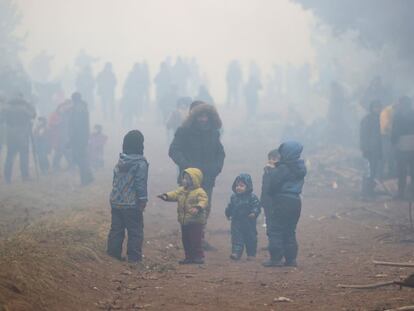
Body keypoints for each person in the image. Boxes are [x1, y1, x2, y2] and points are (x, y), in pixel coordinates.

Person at [169, 102, 225, 250]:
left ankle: (199, 239)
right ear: (194, 116)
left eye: (206, 115)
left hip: (208, 178)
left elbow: (220, 153)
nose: (203, 119)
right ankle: (191, 241)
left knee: (204, 207)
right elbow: (174, 150)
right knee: (188, 208)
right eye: (200, 115)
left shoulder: (214, 132)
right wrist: (187, 166)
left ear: (211, 117)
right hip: (188, 179)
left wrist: (217, 168)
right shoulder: (184, 131)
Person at [263, 141, 307, 267]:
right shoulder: (300, 168)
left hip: (282, 201)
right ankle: (291, 259)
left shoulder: (283, 168)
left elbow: (273, 185)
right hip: (296, 201)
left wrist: (271, 172)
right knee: (290, 230)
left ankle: (275, 258)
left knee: (276, 229)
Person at [107, 130, 148, 263]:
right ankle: (134, 258)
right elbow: (140, 183)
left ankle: (112, 255)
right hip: (132, 203)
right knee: (135, 230)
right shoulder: (140, 163)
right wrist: (142, 200)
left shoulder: (120, 161)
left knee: (116, 229)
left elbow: (115, 181)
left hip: (116, 201)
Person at [158, 168, 208, 264]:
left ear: (194, 179)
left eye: (186, 178)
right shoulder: (182, 190)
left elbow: (204, 201)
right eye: (183, 178)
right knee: (186, 240)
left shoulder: (199, 191)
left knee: (196, 239)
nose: (183, 180)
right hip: (184, 221)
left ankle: (198, 256)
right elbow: (174, 194)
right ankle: (188, 256)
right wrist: (166, 196)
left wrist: (198, 207)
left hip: (196, 221)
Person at [2, 92, 36, 183]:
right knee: (24, 156)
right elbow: (33, 114)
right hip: (22, 135)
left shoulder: (6, 109)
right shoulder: (24, 108)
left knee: (10, 156)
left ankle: (7, 177)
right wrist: (29, 104)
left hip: (10, 136)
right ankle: (25, 176)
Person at [225, 174, 261, 261]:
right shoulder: (234, 197)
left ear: (247, 186)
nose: (238, 188)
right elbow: (230, 206)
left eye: (241, 186)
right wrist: (228, 213)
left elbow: (256, 206)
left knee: (251, 238)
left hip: (249, 222)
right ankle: (236, 253)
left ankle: (251, 254)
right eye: (237, 185)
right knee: (236, 238)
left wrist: (254, 213)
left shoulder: (252, 197)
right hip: (236, 222)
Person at [68, 92, 94, 186]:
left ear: (74, 99)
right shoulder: (82, 107)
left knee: (80, 158)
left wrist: (71, 138)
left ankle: (86, 179)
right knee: (82, 157)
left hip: (78, 138)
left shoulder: (78, 109)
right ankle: (88, 177)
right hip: (82, 137)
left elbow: (76, 126)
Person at [391, 96, 414, 199]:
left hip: (402, 145)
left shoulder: (398, 115)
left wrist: (393, 143)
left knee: (401, 171)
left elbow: (395, 132)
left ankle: (401, 193)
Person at [360, 100, 383, 197]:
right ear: (371, 108)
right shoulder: (367, 120)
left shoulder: (380, 119)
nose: (377, 109)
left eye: (379, 107)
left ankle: (370, 191)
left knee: (373, 171)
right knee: (368, 171)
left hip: (377, 149)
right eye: (375, 107)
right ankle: (366, 192)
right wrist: (364, 148)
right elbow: (363, 135)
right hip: (369, 149)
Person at [260, 149, 280, 229]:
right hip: (267, 201)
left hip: (277, 202)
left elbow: (276, 183)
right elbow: (264, 187)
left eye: (274, 159)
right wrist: (263, 200)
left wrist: (271, 170)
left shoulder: (281, 172)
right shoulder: (267, 171)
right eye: (270, 159)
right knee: (269, 224)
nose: (271, 161)